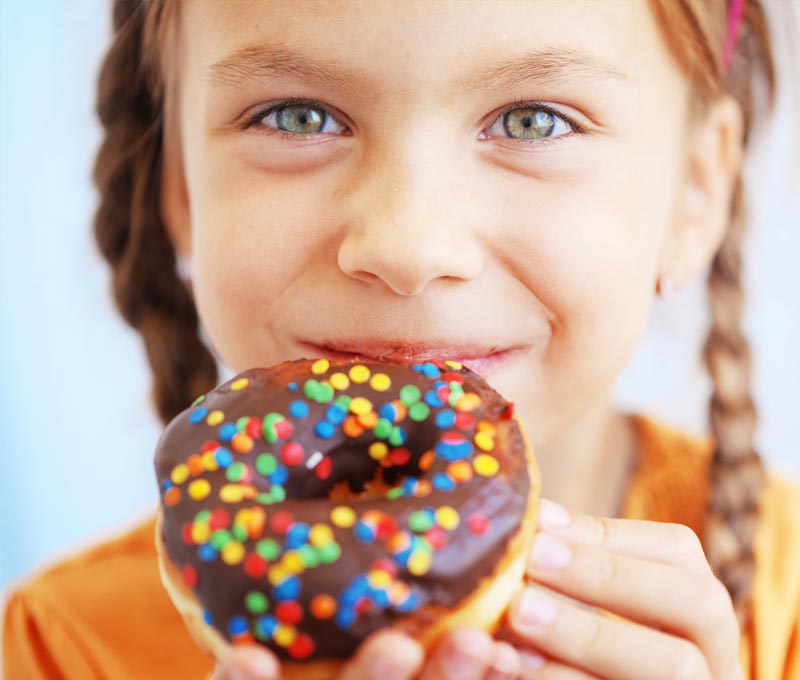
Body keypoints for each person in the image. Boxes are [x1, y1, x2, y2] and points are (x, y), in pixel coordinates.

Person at [3, 0, 798, 678]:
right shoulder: (62, 645)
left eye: (533, 120)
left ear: (696, 192)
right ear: (180, 185)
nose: (409, 247)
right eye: (297, 116)